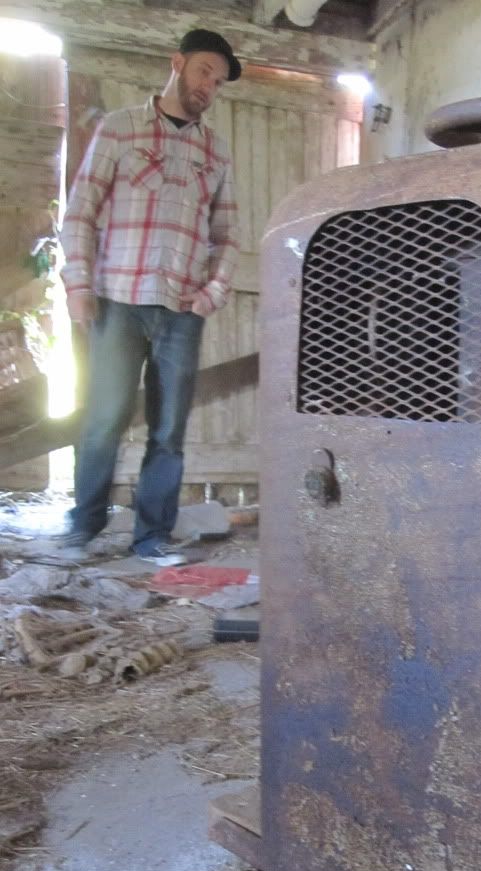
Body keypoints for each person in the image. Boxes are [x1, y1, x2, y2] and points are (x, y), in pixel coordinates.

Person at [59, 29, 241, 566]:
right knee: (104, 419)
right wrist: (78, 285)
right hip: (117, 300)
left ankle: (151, 537)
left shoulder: (216, 151)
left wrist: (211, 294)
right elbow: (81, 212)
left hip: (181, 311)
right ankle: (83, 527)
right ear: (177, 63)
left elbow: (226, 234)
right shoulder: (120, 129)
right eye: (205, 71)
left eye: (219, 82)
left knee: (168, 431)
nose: (209, 86)